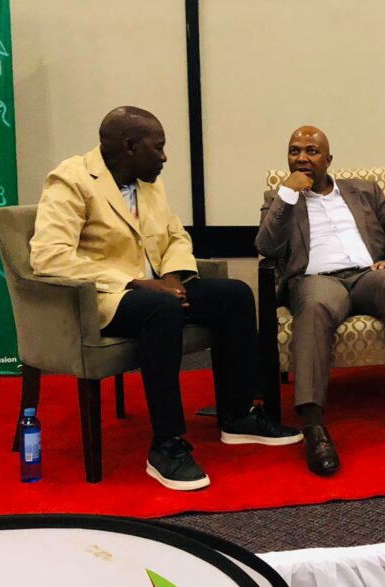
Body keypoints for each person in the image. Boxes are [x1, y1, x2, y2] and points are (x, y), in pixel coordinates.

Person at [30, 106, 302, 491]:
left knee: (235, 295)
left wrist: (173, 278)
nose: (164, 157)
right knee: (161, 309)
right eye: (157, 148)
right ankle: (167, 445)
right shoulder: (71, 180)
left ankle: (238, 415)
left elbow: (176, 236)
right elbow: (49, 256)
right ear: (129, 146)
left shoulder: (148, 181)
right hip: (106, 298)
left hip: (159, 288)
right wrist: (136, 283)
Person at [255, 126, 385, 477]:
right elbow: (266, 247)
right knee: (315, 306)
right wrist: (287, 196)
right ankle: (313, 425)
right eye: (294, 151)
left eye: (311, 151)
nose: (302, 158)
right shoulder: (279, 197)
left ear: (329, 159)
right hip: (317, 280)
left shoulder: (364, 191)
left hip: (368, 273)